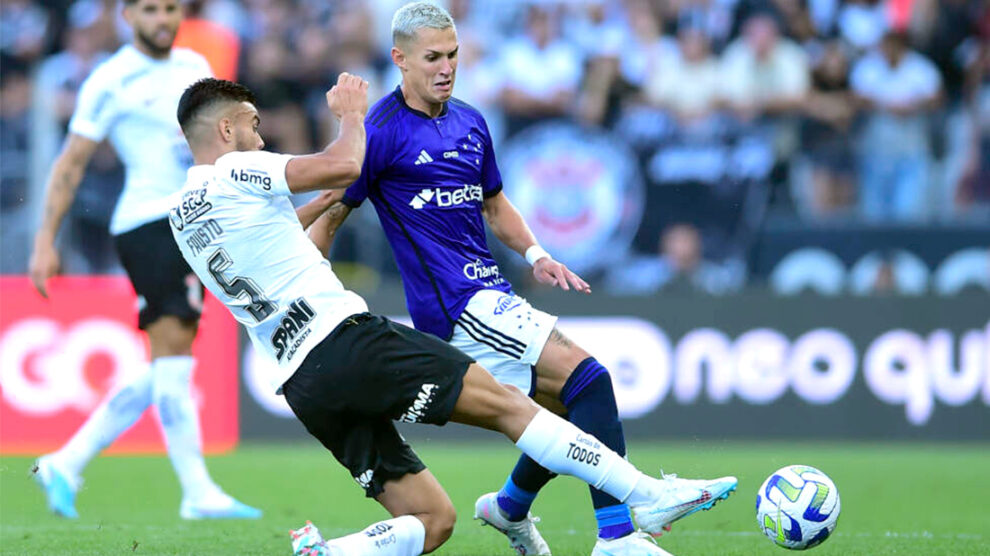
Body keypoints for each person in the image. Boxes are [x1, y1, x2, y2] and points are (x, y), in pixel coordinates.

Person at [170, 74, 736, 556]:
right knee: (513, 406)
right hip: (348, 342)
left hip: (304, 383)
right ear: (226, 130)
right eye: (251, 125)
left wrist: (323, 205)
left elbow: (284, 244)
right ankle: (641, 496)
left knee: (433, 522)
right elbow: (344, 164)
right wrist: (350, 115)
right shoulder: (234, 172)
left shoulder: (181, 213)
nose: (260, 135)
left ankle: (332, 551)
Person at [306, 3, 735, 555]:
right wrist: (317, 300)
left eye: (454, 55)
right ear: (400, 60)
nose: (446, 67)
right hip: (457, 304)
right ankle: (618, 536)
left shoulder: (470, 121)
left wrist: (535, 252)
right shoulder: (380, 132)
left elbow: (494, 204)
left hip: (492, 290)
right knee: (590, 378)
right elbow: (330, 214)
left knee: (559, 406)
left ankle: (508, 508)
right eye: (432, 57)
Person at [27, 0, 258, 520]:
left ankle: (66, 461)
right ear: (128, 15)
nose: (162, 19)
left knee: (168, 362)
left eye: (171, 8)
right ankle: (197, 492)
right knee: (174, 353)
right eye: (150, 9)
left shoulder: (195, 67)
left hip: (193, 221)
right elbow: (70, 164)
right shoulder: (111, 80)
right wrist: (45, 241)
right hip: (148, 222)